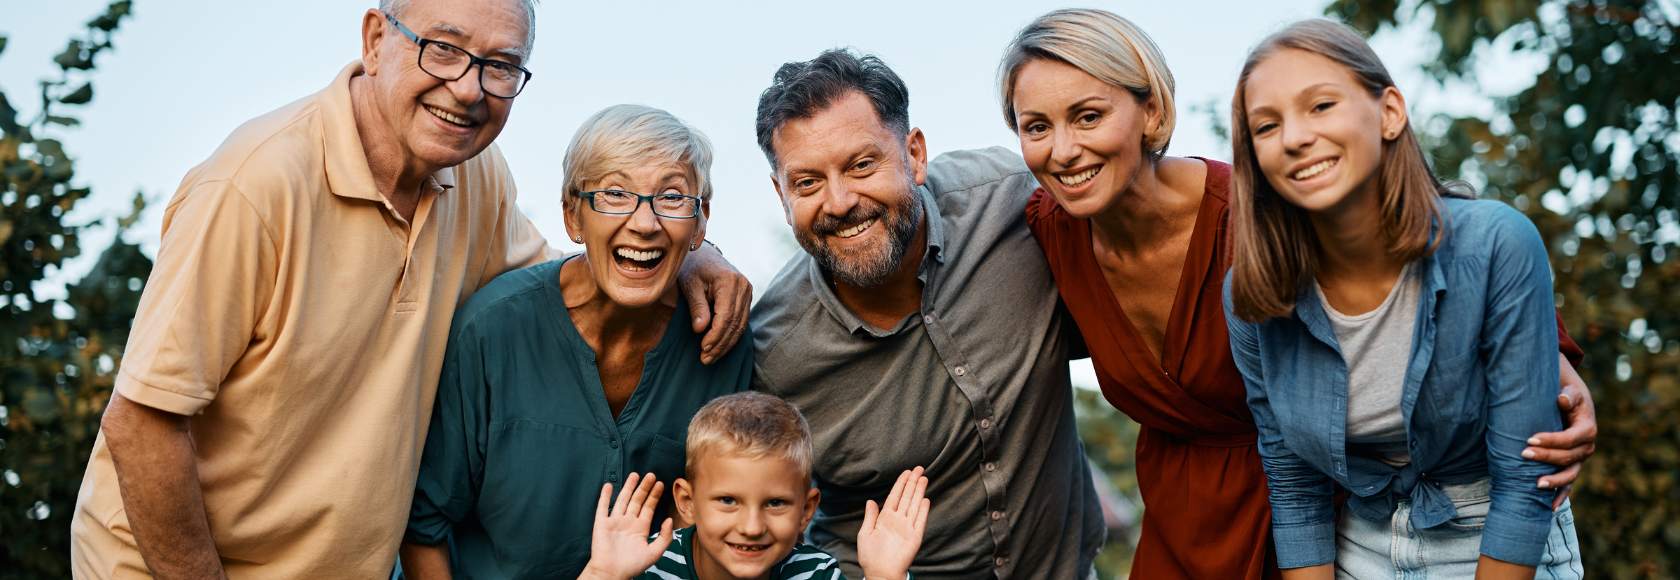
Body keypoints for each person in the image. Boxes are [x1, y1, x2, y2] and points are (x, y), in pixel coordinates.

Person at [69, 2, 750, 578]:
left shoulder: (473, 174)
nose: (469, 88)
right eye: (443, 49)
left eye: (500, 65)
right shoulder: (255, 185)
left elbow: (582, 270)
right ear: (374, 40)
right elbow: (143, 423)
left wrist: (693, 253)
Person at [999, 9, 1597, 579]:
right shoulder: (1049, 233)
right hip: (1188, 525)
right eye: (1036, 127)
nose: (1063, 150)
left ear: (1151, 111)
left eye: (1088, 116)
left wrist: (1557, 370)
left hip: (1336, 511)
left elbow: (1424, 247)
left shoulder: (1259, 219)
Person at [1223, 19, 1584, 579]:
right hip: (1364, 539)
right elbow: (1295, 486)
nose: (1293, 137)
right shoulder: (1255, 294)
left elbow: (1524, 480)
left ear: (1390, 112)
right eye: (1266, 126)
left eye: (1321, 105)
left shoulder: (1496, 244)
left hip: (1497, 535)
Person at [749, 49, 1104, 580]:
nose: (840, 202)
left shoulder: (1014, 202)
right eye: (807, 183)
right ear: (782, 194)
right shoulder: (771, 357)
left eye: (861, 165)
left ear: (914, 154)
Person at [398, 104, 754, 579]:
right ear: (572, 215)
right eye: (615, 193)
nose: (644, 223)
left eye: (671, 197)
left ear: (700, 221)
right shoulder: (491, 331)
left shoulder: (722, 338)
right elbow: (423, 526)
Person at [577, 392, 929, 580]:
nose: (751, 527)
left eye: (775, 503)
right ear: (687, 501)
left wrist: (885, 576)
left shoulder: (814, 574)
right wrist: (602, 574)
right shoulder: (648, 566)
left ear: (806, 510)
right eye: (728, 500)